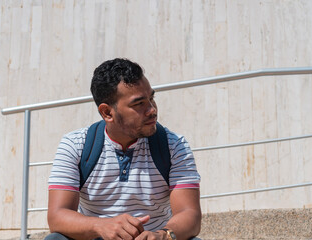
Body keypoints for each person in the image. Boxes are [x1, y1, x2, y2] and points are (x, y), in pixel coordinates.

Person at [45, 58, 201, 240]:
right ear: (107, 113)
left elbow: (190, 214)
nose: (152, 110)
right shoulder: (75, 145)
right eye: (139, 104)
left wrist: (163, 235)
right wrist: (102, 226)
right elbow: (57, 216)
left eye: (151, 98)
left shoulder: (174, 145)